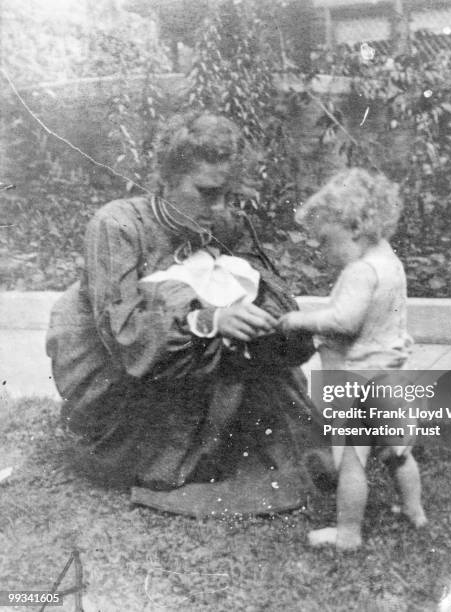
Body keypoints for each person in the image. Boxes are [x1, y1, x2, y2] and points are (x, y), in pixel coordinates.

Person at [46, 113, 318, 515]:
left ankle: (223, 438)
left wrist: (254, 318)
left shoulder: (226, 224)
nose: (219, 207)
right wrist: (208, 320)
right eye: (207, 192)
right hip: (125, 386)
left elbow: (271, 293)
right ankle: (178, 457)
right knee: (178, 298)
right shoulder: (118, 224)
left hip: (204, 371)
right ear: (168, 178)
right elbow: (125, 336)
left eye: (228, 194)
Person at [279, 167, 427, 550]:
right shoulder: (389, 262)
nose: (324, 253)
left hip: (359, 378)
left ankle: (347, 533)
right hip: (391, 373)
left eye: (327, 242)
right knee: (397, 451)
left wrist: (300, 319)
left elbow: (345, 320)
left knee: (352, 460)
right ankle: (414, 509)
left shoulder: (360, 271)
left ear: (356, 228)